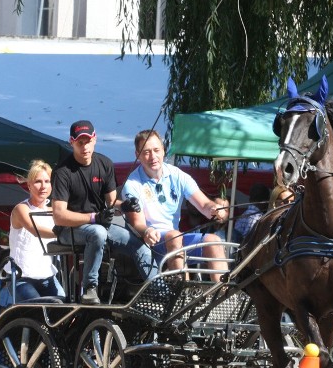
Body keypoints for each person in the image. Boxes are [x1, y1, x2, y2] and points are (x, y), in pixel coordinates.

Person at [51, 120, 158, 305]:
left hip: (99, 225)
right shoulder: (62, 172)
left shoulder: (105, 163)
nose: (85, 147)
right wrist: (94, 218)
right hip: (69, 230)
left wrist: (124, 206)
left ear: (95, 139)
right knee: (98, 232)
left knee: (140, 244)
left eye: (88, 141)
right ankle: (90, 288)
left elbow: (111, 202)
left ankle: (160, 289)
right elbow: (59, 215)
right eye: (79, 142)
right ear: (71, 142)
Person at [122, 129, 229, 282]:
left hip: (175, 240)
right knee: (174, 235)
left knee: (214, 241)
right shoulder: (132, 184)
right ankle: (183, 293)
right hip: (148, 242)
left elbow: (204, 205)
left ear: (164, 150)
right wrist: (147, 230)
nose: (153, 156)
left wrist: (215, 209)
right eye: (146, 152)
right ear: (137, 155)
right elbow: (137, 223)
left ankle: (222, 295)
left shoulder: (178, 175)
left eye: (156, 150)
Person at [6, 159, 66, 305]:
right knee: (39, 309)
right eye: (38, 181)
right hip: (21, 277)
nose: (43, 186)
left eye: (47, 181)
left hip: (47, 276)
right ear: (29, 185)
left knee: (65, 308)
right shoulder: (21, 209)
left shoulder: (54, 210)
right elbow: (36, 230)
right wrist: (62, 231)